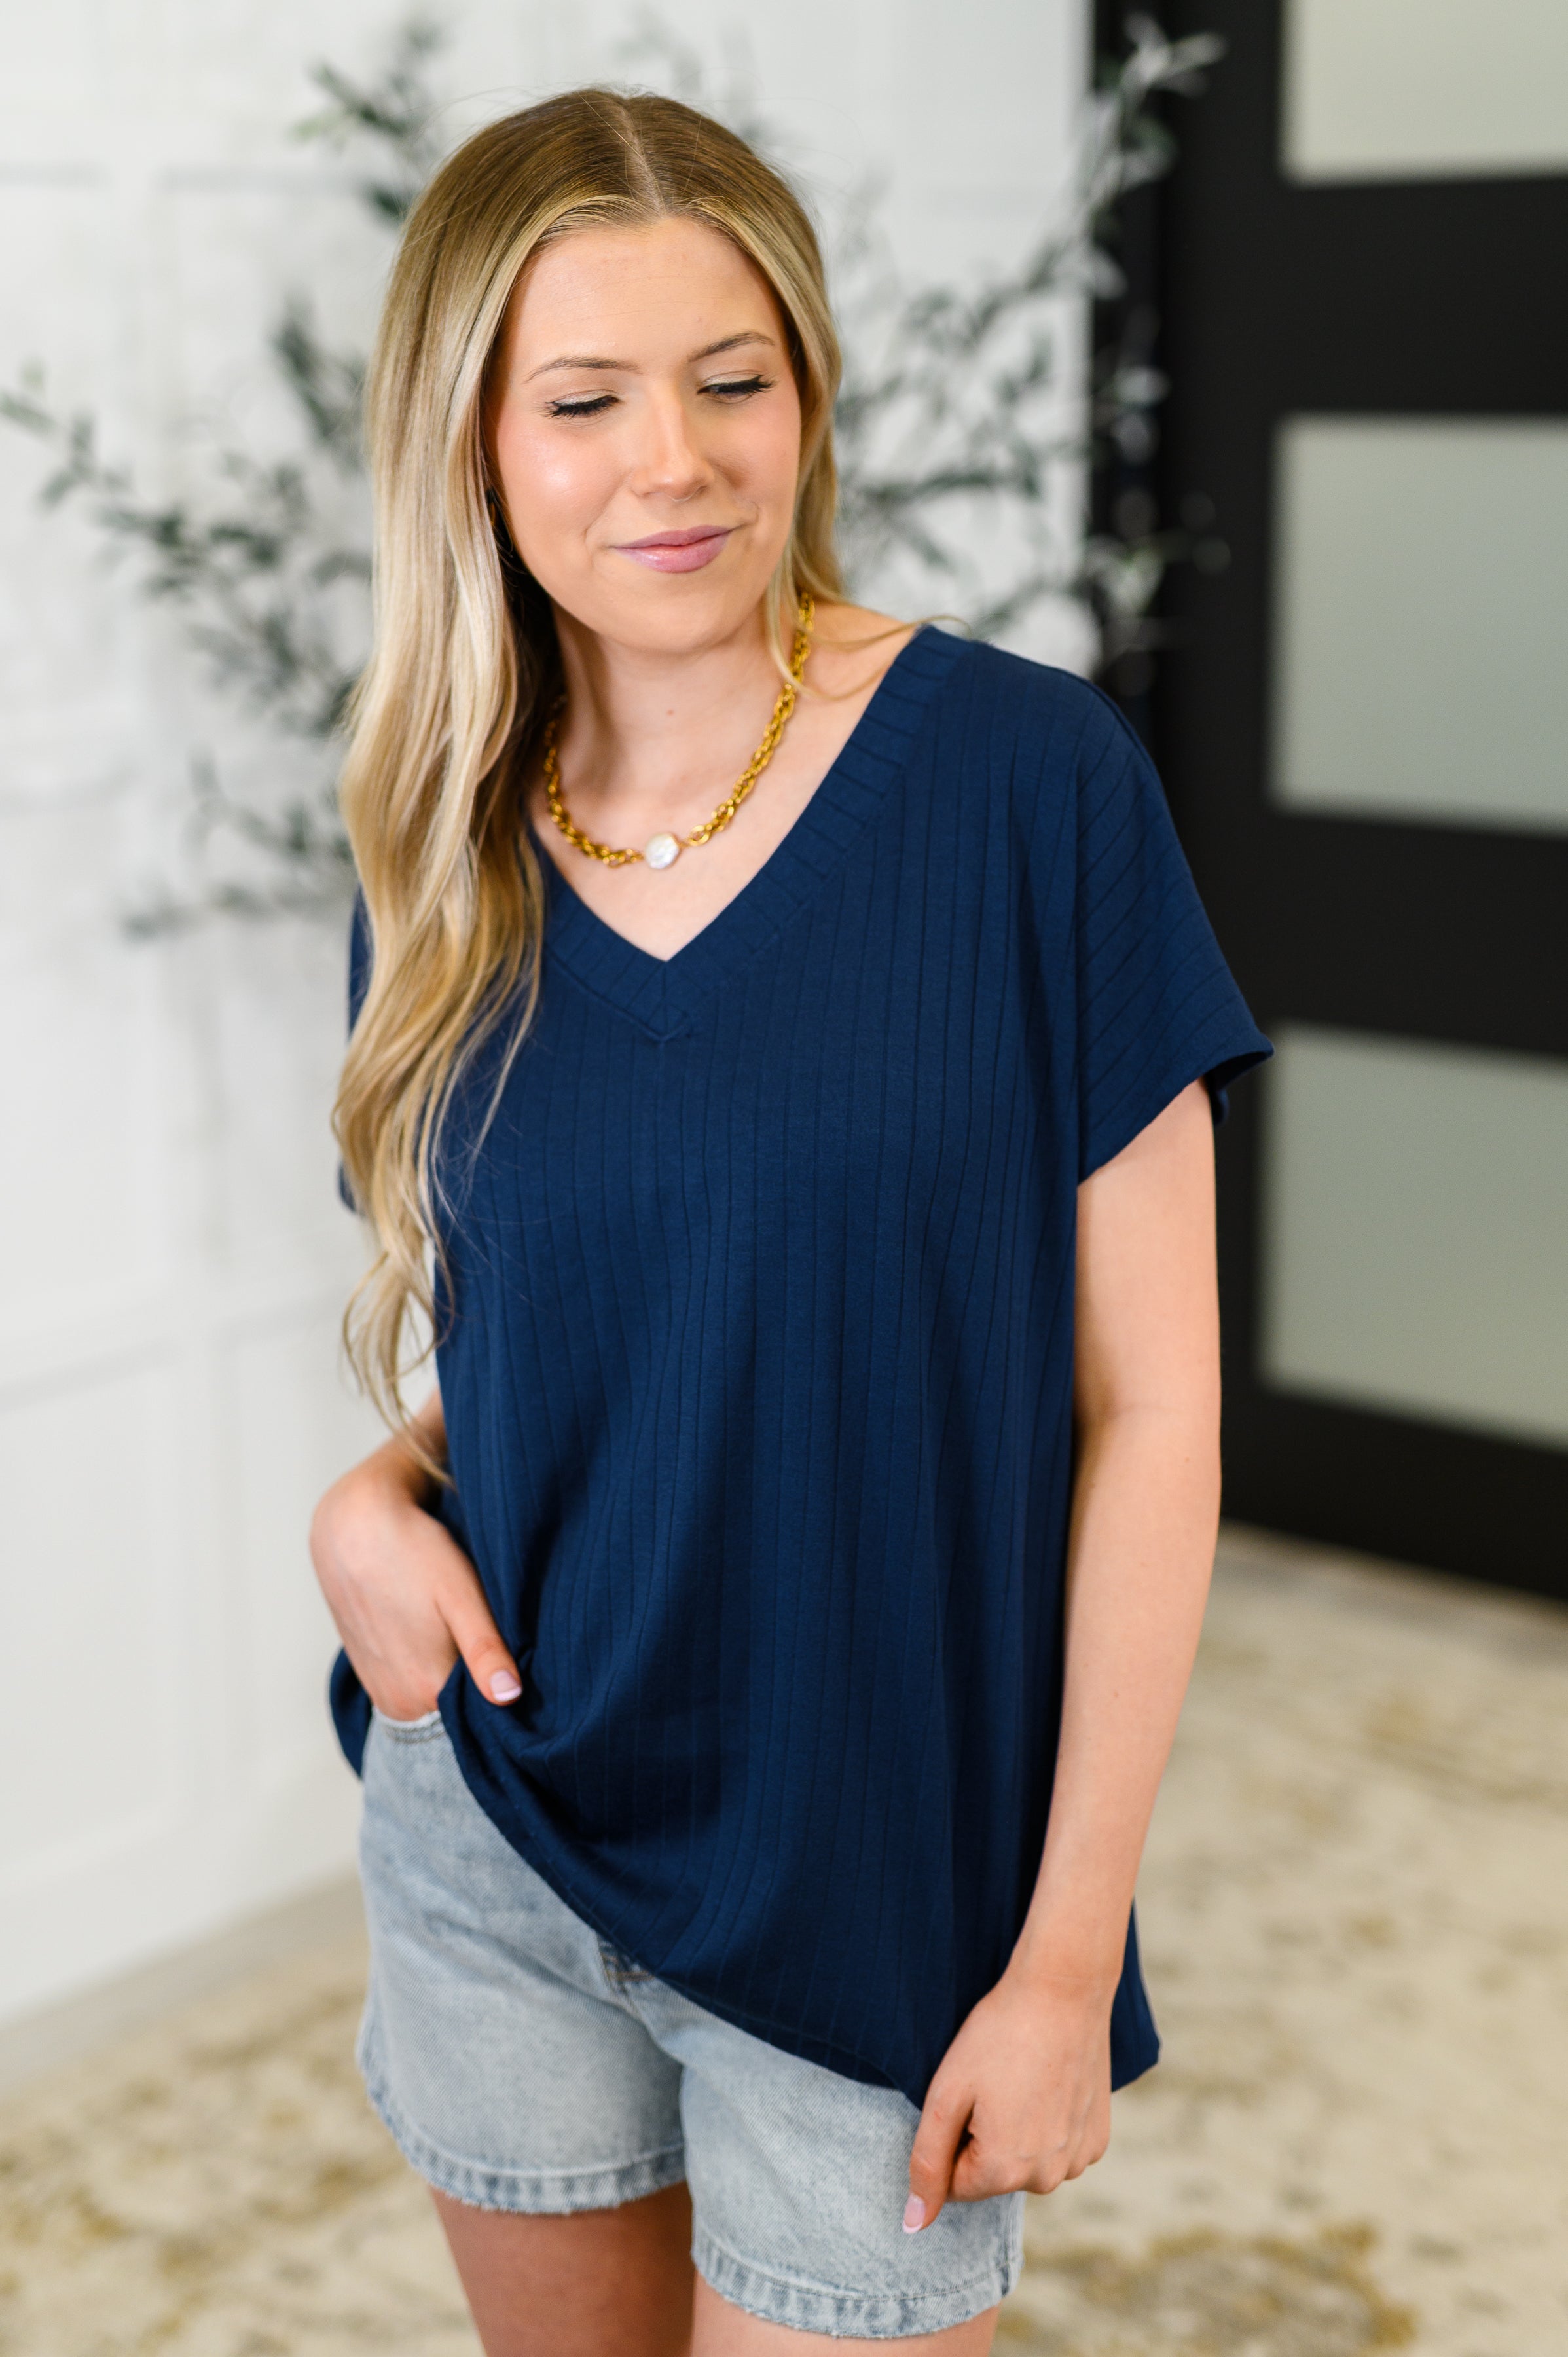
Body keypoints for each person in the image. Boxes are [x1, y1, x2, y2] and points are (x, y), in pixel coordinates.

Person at [308, 87, 1269, 2357]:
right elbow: (624, 1326)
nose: (676, 463)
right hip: (498, 1841)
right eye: (584, 400)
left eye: (731, 379)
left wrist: (1062, 1960)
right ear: (469, 444)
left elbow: (1149, 1413)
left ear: (808, 396)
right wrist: (377, 1492)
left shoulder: (1027, 790)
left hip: (888, 1878)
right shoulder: (436, 846)